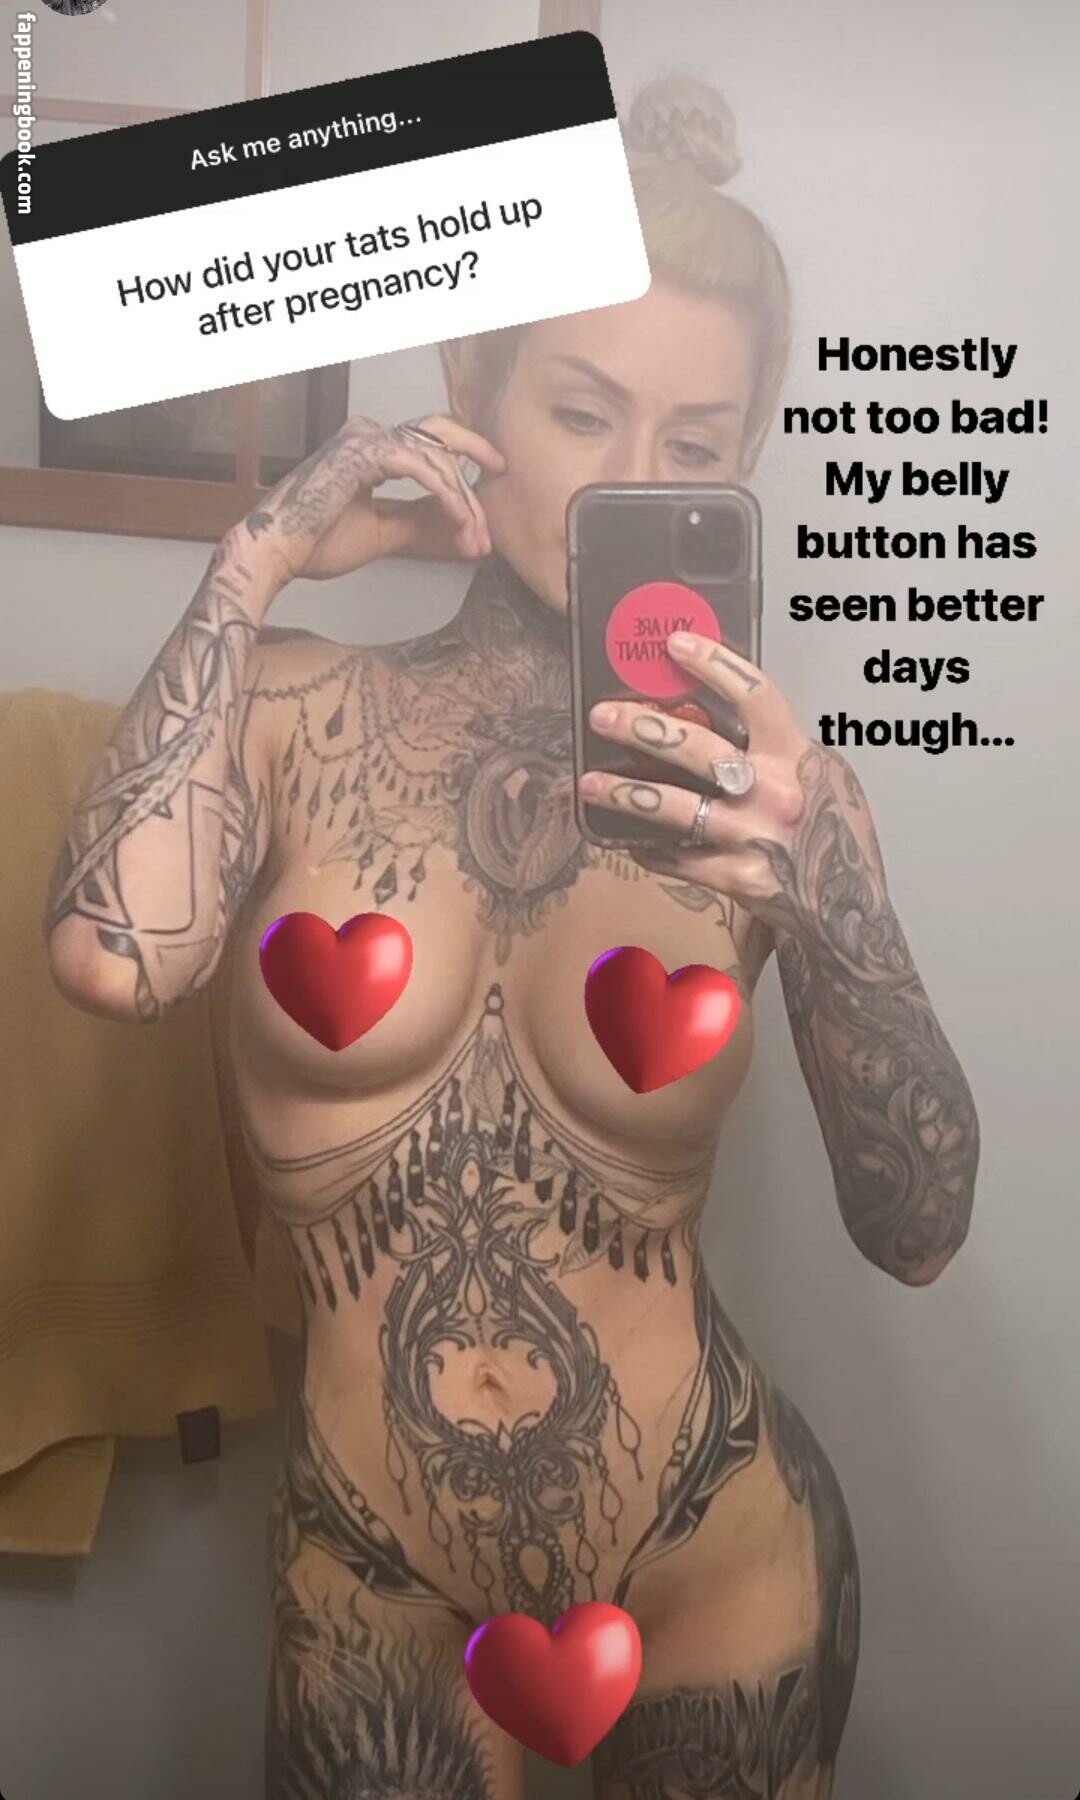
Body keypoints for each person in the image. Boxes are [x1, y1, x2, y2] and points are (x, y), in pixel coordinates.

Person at [43, 75, 979, 1800]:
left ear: (743, 462)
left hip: (715, 1548)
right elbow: (113, 959)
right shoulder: (293, 710)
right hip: (374, 1570)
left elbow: (917, 1231)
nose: (626, 482)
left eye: (691, 449)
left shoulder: (770, 798)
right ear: (469, 393)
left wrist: (825, 898)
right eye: (583, 409)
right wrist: (255, 565)